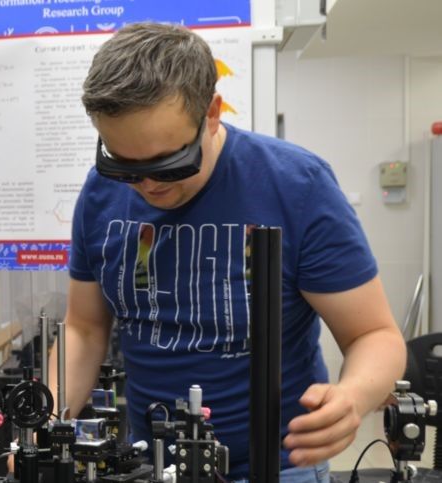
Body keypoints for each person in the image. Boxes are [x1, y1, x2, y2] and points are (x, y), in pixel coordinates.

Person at [61, 22, 405, 481]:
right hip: (150, 462)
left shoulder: (296, 187)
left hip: (278, 466)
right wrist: (47, 420)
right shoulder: (100, 194)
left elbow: (374, 334)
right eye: (123, 166)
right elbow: (84, 329)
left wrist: (353, 397)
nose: (145, 184)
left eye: (166, 163)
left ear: (211, 113)